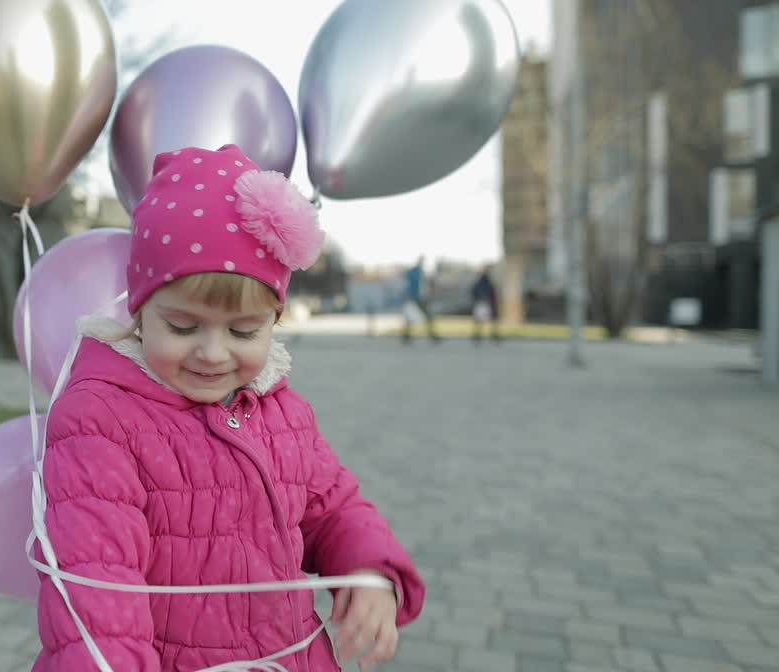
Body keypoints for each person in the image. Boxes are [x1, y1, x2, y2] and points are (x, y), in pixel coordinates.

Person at [33, 145, 425, 672]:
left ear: (274, 321)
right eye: (183, 326)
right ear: (140, 311)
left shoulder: (282, 413)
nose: (213, 354)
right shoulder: (100, 422)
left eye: (244, 331)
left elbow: (334, 508)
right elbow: (98, 601)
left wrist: (368, 572)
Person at [400, 256, 440, 344]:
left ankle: (406, 336)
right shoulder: (416, 272)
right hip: (416, 298)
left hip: (416, 298)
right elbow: (415, 286)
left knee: (414, 317)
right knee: (427, 316)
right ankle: (432, 335)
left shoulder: (416, 272)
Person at [470, 265, 501, 343]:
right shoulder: (484, 282)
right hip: (483, 303)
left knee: (482, 321)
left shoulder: (483, 282)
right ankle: (480, 336)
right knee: (481, 320)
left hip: (483, 303)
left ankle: (479, 336)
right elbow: (490, 293)